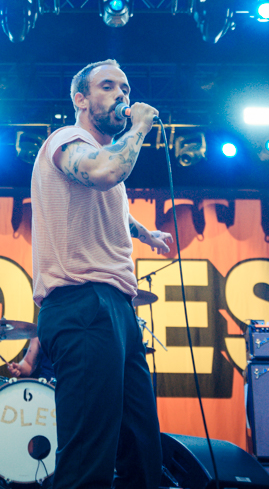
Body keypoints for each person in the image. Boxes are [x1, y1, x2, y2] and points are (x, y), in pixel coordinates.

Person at [30, 59, 173, 489]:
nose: (122, 96)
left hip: (117, 309)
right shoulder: (67, 140)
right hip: (82, 304)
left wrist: (143, 232)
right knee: (88, 459)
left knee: (142, 452)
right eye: (108, 87)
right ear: (80, 99)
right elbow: (105, 172)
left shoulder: (102, 156)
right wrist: (141, 126)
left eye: (126, 89)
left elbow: (110, 201)